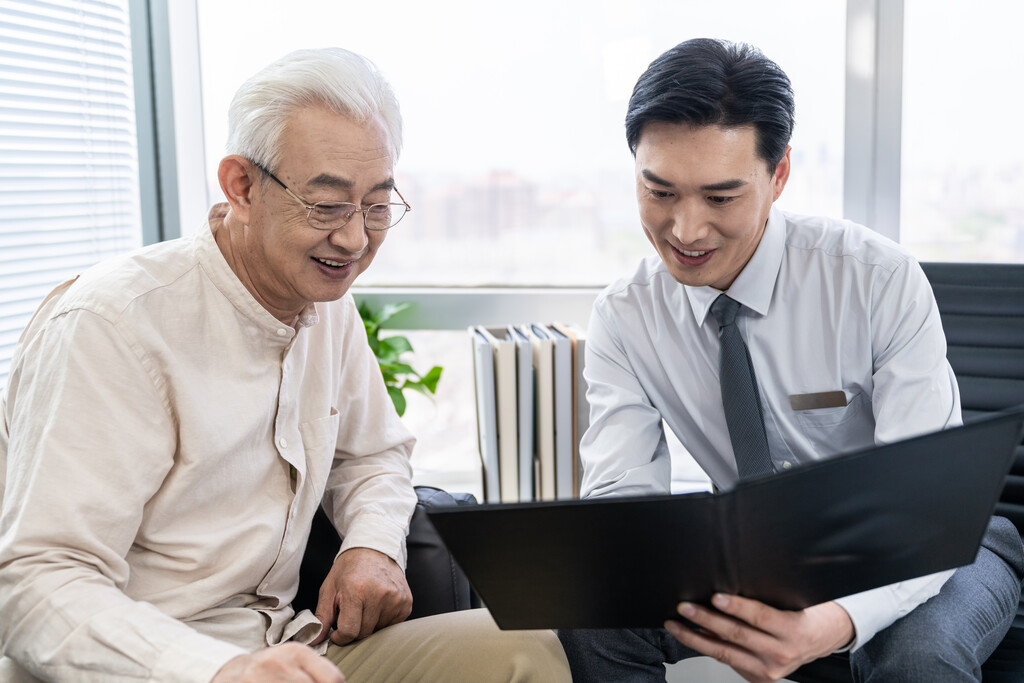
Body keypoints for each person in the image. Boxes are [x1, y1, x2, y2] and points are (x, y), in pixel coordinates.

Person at [0, 48, 570, 683]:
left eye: (377, 206)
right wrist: (221, 671)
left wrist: (370, 545)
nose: (354, 239)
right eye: (327, 206)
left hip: (292, 646)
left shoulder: (326, 302)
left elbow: (374, 455)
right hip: (148, 664)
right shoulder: (110, 327)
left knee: (521, 650)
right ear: (242, 186)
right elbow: (35, 586)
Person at [557, 38, 1024, 682]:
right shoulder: (626, 314)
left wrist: (828, 623)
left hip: (939, 543)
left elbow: (924, 513)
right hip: (761, 553)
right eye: (659, 190)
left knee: (916, 660)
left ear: (778, 177)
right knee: (595, 619)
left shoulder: (876, 280)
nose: (685, 230)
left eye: (720, 198)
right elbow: (624, 500)